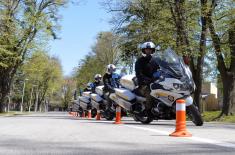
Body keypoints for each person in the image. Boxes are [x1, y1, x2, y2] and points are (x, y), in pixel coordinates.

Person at [135, 41, 161, 114]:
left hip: (156, 82)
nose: (148, 51)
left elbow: (163, 67)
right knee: (150, 91)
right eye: (146, 49)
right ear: (144, 50)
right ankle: (148, 110)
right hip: (144, 84)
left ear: (153, 50)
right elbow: (139, 74)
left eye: (150, 49)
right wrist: (147, 80)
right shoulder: (139, 61)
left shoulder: (156, 60)